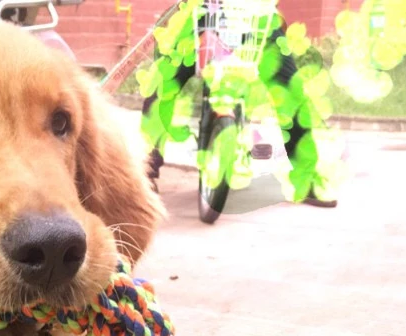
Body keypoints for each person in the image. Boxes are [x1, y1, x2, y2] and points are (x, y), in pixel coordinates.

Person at [141, 0, 338, 207]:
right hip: (204, 13)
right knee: (164, 82)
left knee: (292, 92)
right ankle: (145, 171)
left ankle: (306, 180)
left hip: (256, 19)